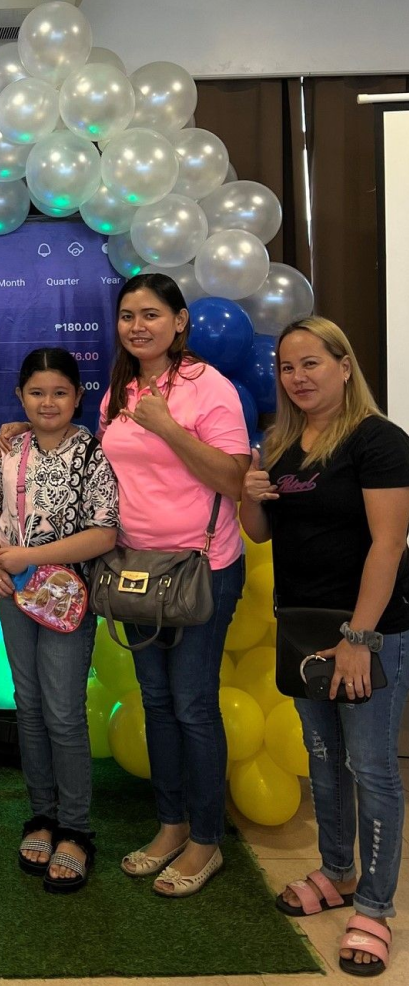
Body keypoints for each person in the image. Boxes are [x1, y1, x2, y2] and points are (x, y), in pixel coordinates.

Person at [240, 317, 409, 976]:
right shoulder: (282, 443)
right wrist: (248, 494)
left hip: (366, 629)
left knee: (371, 768)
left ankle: (373, 905)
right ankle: (336, 872)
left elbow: (388, 545)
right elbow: (260, 534)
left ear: (344, 364)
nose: (298, 377)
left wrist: (360, 639)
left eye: (311, 363)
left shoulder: (379, 441)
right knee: (324, 759)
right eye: (287, 366)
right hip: (302, 628)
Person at [99, 272, 248, 896]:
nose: (139, 326)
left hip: (202, 567)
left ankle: (207, 840)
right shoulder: (119, 390)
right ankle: (170, 824)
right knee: (157, 704)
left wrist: (165, 425)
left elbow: (234, 478)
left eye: (152, 314)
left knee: (191, 704)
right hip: (139, 569)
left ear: (180, 321)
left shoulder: (206, 385)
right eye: (128, 315)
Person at [0, 348, 119, 892]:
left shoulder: (92, 454)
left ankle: (76, 830)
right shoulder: (10, 448)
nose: (48, 402)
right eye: (36, 392)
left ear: (78, 397)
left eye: (60, 392)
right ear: (20, 397)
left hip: (65, 599)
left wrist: (27, 558)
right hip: (13, 595)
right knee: (29, 707)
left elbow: (105, 533)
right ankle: (42, 815)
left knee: (63, 713)